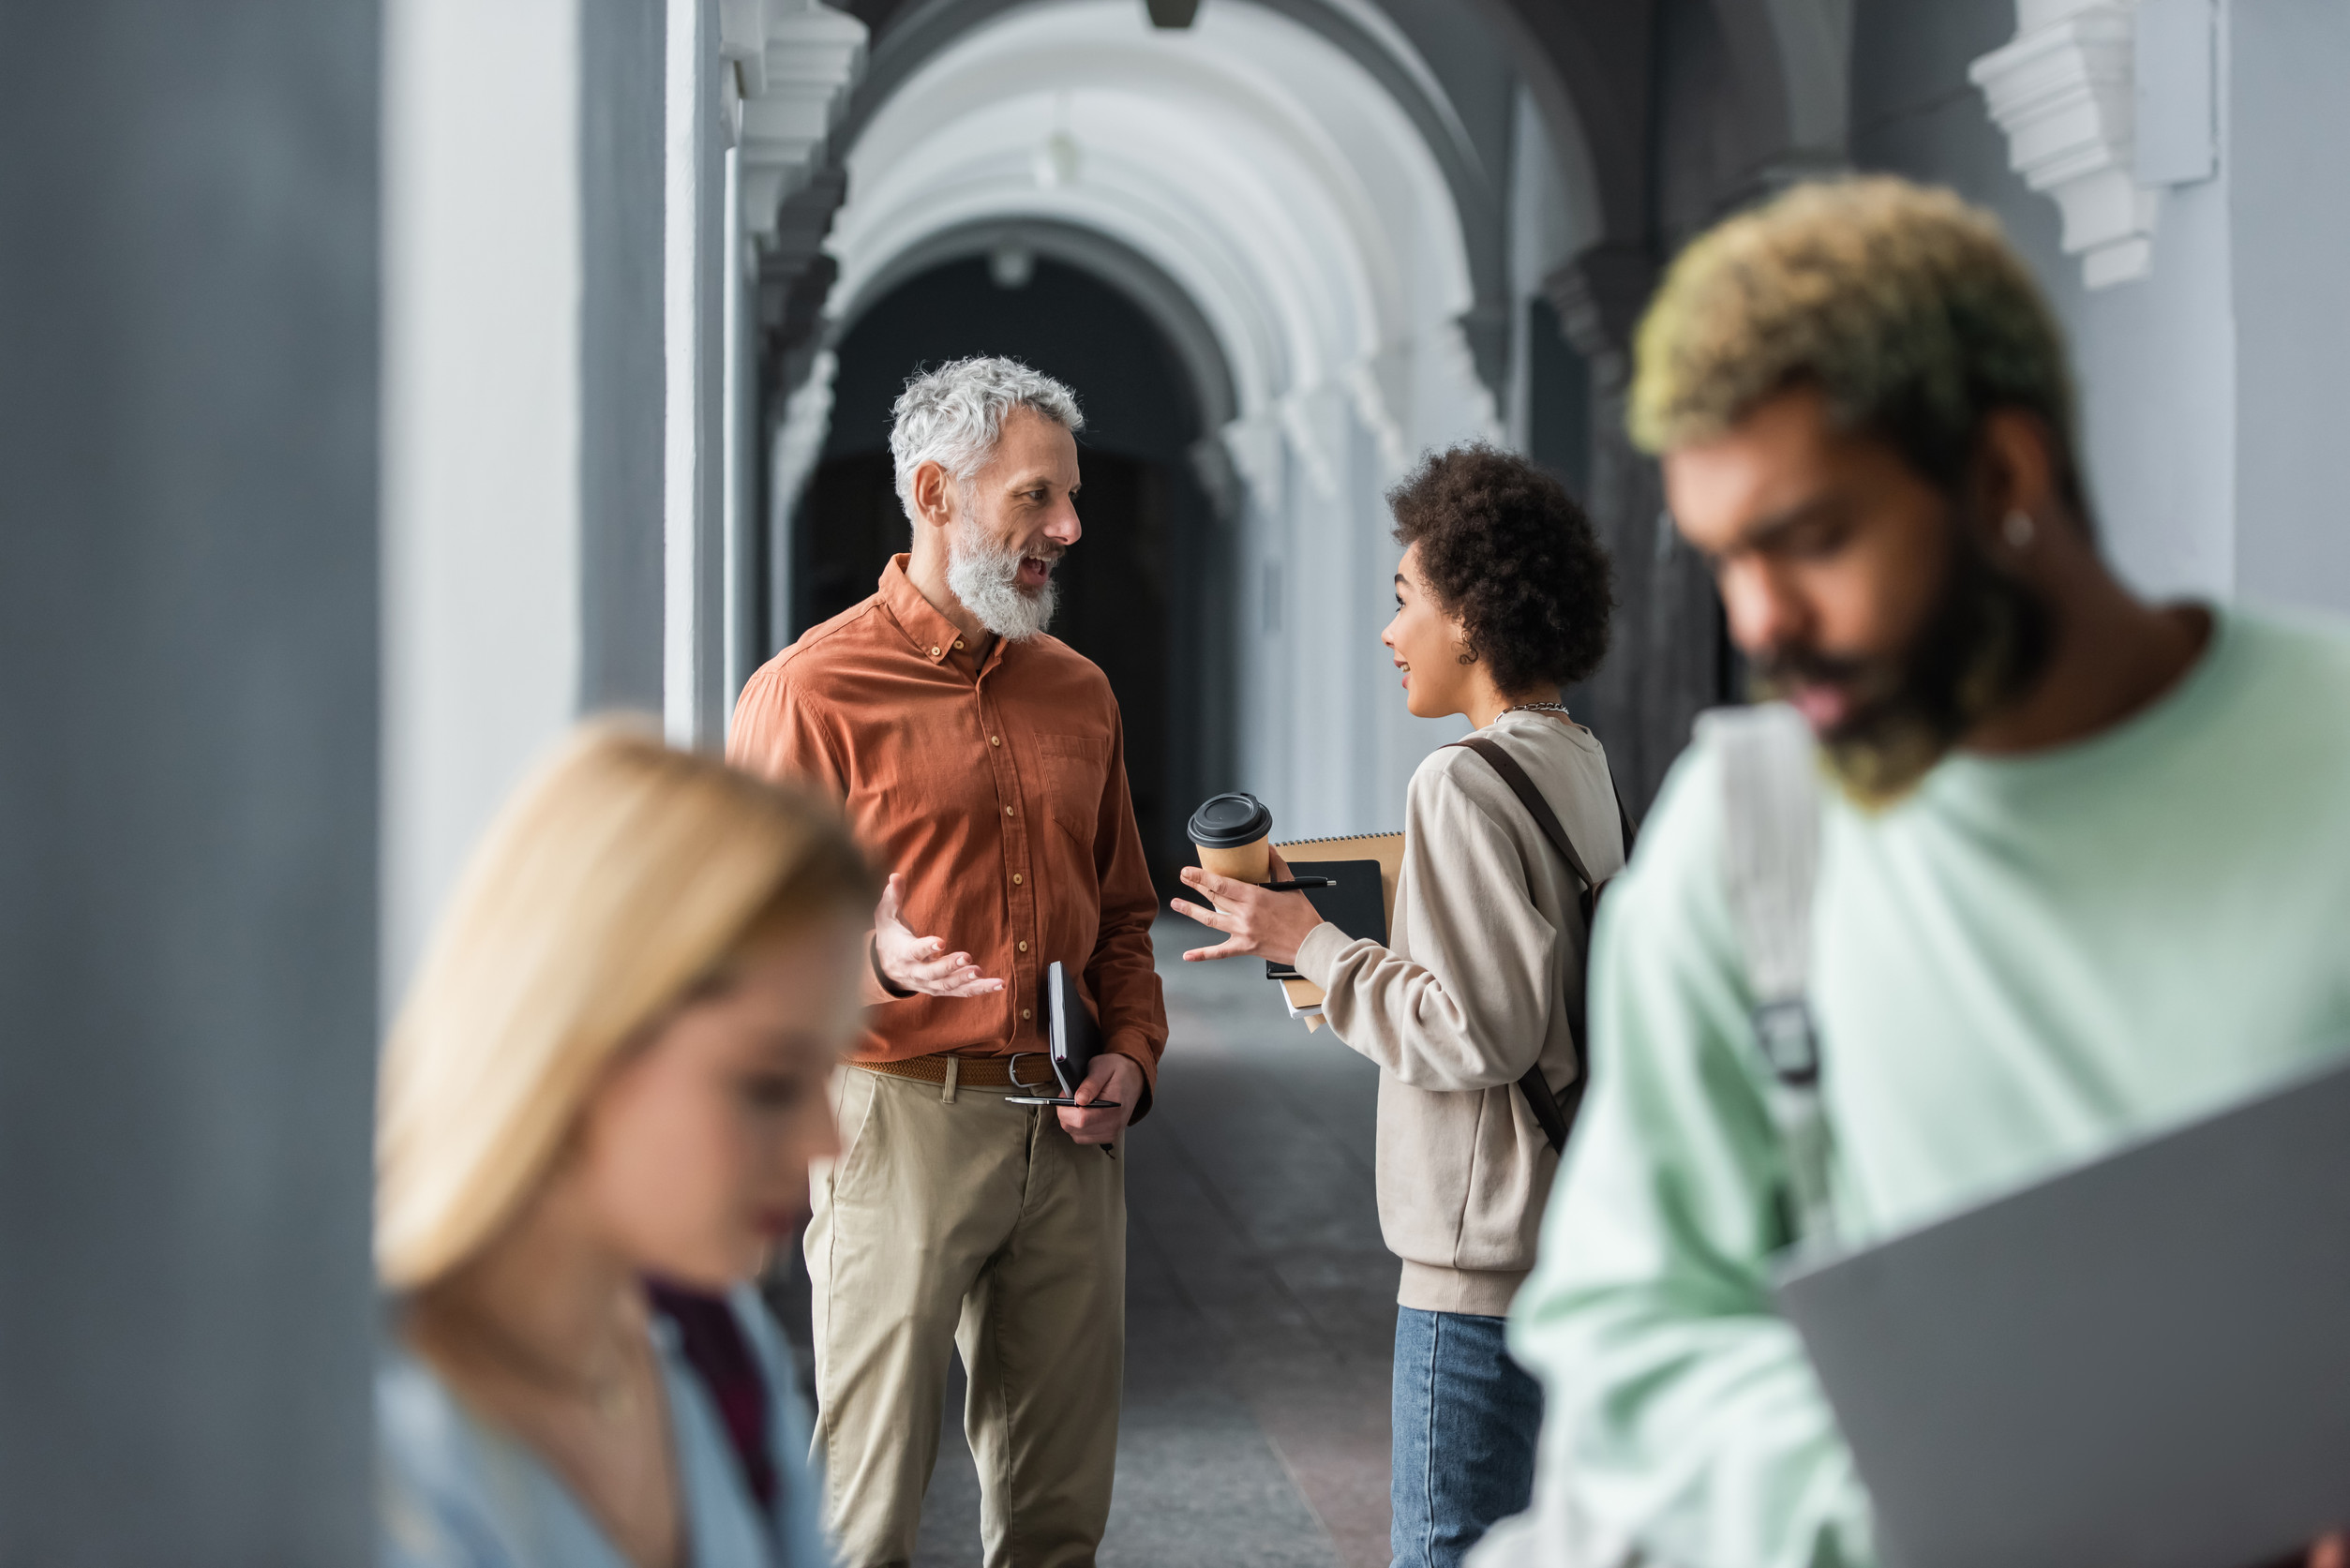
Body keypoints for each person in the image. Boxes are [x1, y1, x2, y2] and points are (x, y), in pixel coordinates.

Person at [1476, 176, 2350, 1568]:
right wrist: (2021, 1502)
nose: (1762, 622)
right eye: (1724, 559)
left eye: (1811, 538)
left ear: (2002, 475)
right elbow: (1634, 1351)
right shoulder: (1742, 839)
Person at [728, 355, 1166, 1568]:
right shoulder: (808, 695)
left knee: (1056, 1517)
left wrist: (1129, 1053)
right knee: (862, 1520)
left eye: (1068, 499)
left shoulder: (1078, 694)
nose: (1067, 529)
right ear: (933, 494)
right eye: (1035, 499)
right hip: (894, 1122)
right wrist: (867, 967)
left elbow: (1122, 915)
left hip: (1070, 1141)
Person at [1172, 445, 1624, 1568]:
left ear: (1469, 617)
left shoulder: (1459, 780)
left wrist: (1308, 939)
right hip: (1560, 1213)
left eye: (1403, 599)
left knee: (1445, 1545)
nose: (1387, 631)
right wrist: (1340, 961)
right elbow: (1534, 984)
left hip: (1475, 1256)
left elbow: (1478, 1028)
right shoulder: (1575, 757)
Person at [375, 722, 876, 1568]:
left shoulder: (718, 1348)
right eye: (767, 1083)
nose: (824, 1140)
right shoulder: (374, 1452)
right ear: (572, 1041)